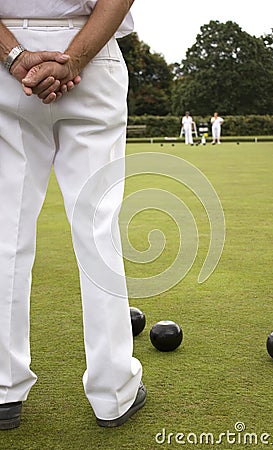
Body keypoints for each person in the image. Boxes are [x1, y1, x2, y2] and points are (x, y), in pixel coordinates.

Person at [0, 0, 146, 430]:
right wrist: (71, 61)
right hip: (91, 54)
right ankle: (114, 392)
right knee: (98, 229)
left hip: (5, 60)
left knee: (5, 233)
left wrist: (15, 56)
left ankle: (4, 389)